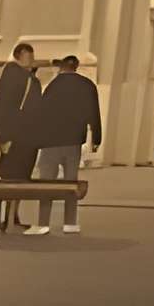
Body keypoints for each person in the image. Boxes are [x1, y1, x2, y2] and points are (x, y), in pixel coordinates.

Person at [22, 52, 101, 234]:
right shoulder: (87, 86)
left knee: (46, 183)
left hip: (50, 141)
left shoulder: (54, 86)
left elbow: (41, 112)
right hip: (73, 141)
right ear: (76, 67)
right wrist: (96, 139)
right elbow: (94, 113)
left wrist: (35, 138)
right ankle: (70, 223)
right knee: (70, 183)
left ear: (62, 67)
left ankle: (43, 223)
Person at [0, 41, 40, 232]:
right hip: (15, 138)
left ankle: (12, 217)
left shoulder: (28, 78)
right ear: (19, 56)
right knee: (8, 180)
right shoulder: (13, 76)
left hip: (26, 138)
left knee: (20, 179)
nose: (32, 59)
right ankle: (0, 219)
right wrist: (3, 139)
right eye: (28, 55)